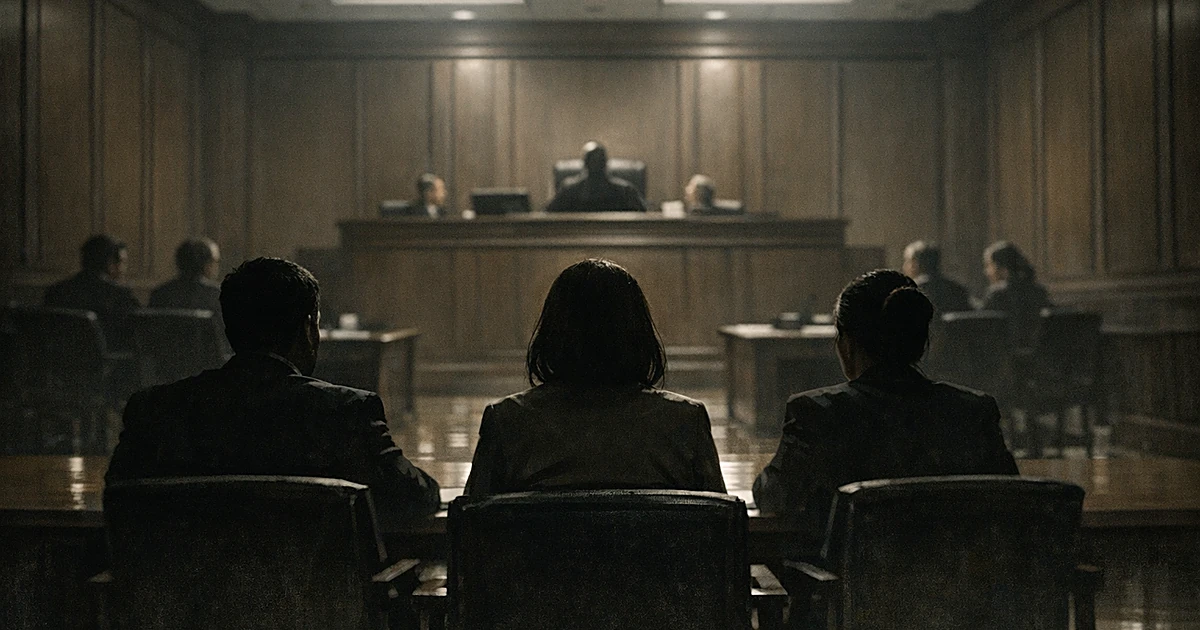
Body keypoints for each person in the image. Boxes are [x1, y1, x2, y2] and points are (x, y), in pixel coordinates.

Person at [106, 257, 441, 521]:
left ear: (229, 327)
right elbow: (414, 496)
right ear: (309, 327)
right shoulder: (346, 411)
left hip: (183, 602)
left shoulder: (153, 409)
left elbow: (118, 502)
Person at [753, 269, 1018, 548]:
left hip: (851, 588)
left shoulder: (816, 413)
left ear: (847, 344)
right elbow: (1013, 500)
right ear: (922, 342)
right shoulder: (973, 412)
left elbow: (774, 497)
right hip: (958, 585)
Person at [464, 258, 725, 495]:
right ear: (638, 333)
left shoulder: (508, 422)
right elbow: (723, 528)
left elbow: (470, 531)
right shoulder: (684, 422)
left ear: (552, 333)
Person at [44, 234, 140, 350]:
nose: (124, 268)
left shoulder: (57, 290)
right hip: (105, 363)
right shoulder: (119, 295)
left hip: (61, 362)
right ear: (111, 264)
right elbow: (134, 334)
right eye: (123, 262)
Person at [980, 240, 1051, 346]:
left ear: (1004, 269)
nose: (986, 272)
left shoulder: (997, 294)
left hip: (1005, 356)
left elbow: (983, 328)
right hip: (1037, 355)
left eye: (989, 266)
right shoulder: (1039, 291)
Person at [545, 142, 647, 213]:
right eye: (593, 162)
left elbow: (645, 219)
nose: (596, 165)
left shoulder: (626, 192)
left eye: (599, 162)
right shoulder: (569, 191)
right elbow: (550, 218)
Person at [149, 238, 222, 313]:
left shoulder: (160, 294)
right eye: (215, 261)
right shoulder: (217, 295)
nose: (217, 266)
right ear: (206, 264)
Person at [902, 240, 971, 313]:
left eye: (907, 261)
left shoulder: (910, 292)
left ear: (914, 264)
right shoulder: (957, 289)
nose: (904, 266)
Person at [381, 173, 447, 219]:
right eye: (441, 189)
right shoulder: (412, 213)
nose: (444, 193)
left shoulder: (443, 212)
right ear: (428, 193)